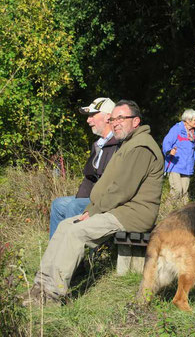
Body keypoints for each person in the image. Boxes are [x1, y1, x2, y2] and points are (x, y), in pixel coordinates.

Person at [23, 100, 163, 306]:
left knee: (76, 232)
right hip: (118, 210)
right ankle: (39, 287)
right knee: (65, 225)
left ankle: (52, 295)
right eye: (113, 119)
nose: (116, 123)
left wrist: (95, 210)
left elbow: (122, 190)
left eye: (121, 118)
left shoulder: (141, 146)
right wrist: (91, 209)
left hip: (132, 214)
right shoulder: (128, 143)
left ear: (136, 121)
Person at [49, 97, 120, 239]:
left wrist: (87, 205)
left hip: (108, 201)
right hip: (93, 197)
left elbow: (115, 183)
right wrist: (80, 199)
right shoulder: (99, 144)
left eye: (92, 115)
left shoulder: (119, 143)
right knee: (58, 204)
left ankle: (72, 257)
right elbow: (89, 178)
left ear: (107, 117)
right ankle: (54, 251)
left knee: (73, 207)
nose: (88, 120)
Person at [162, 109, 195, 204]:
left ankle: (183, 216)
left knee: (184, 193)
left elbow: (190, 150)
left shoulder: (193, 134)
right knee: (177, 190)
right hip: (175, 165)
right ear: (188, 120)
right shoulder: (176, 129)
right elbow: (166, 142)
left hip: (187, 167)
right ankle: (166, 211)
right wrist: (169, 151)